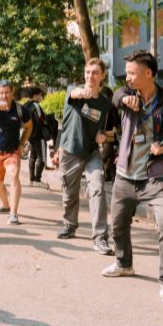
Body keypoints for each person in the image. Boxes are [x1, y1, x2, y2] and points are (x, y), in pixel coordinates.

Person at [102, 50, 163, 306]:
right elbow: (114, 97)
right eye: (127, 73)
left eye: (132, 73)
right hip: (124, 175)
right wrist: (124, 98)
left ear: (148, 73)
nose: (128, 77)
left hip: (155, 177)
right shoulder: (126, 94)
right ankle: (124, 263)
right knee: (118, 224)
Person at [54, 59, 114, 256]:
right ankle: (70, 224)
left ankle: (100, 237)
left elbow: (102, 128)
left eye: (95, 73)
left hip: (91, 152)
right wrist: (81, 93)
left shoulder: (104, 103)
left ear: (102, 76)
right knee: (69, 193)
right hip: (70, 150)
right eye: (88, 72)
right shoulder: (74, 91)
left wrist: (101, 135)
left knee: (97, 187)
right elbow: (74, 94)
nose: (90, 76)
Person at [0, 80, 33, 225]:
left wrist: (22, 143)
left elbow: (29, 126)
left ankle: (13, 213)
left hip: (13, 152)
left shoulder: (20, 109)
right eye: (1, 93)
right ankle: (5, 205)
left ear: (12, 92)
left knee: (13, 175)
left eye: (7, 92)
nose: (4, 95)